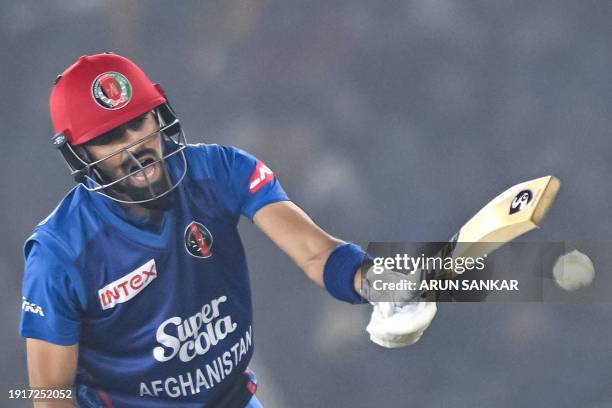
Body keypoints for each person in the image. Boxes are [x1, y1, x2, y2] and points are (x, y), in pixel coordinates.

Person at [19, 53, 436, 408]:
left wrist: (374, 278)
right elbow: (51, 395)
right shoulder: (59, 253)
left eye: (138, 122)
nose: (135, 146)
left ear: (159, 115)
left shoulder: (220, 170)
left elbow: (314, 252)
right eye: (110, 137)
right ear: (80, 155)